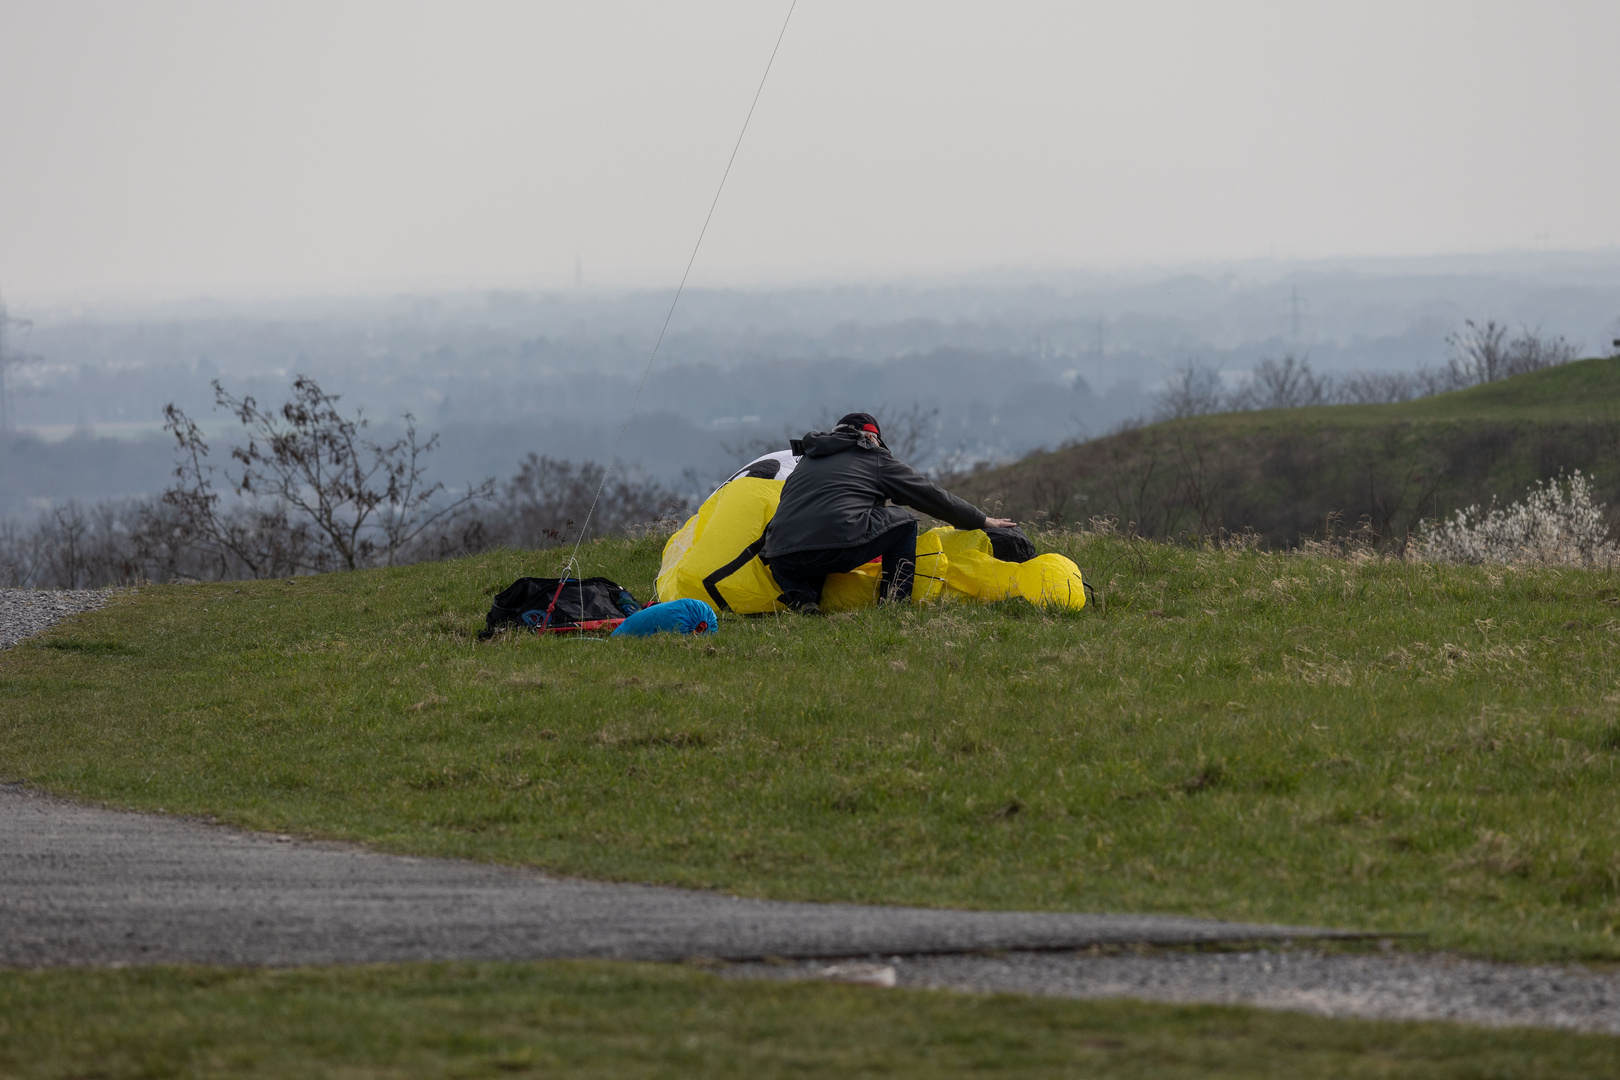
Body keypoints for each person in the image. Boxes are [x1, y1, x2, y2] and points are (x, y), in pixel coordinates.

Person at [761, 412, 1015, 613]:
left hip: (781, 557)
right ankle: (894, 602)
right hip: (836, 546)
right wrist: (982, 520)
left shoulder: (806, 461)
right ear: (872, 437)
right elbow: (930, 496)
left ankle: (803, 597)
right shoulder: (872, 455)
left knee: (806, 542)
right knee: (904, 522)